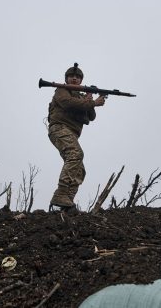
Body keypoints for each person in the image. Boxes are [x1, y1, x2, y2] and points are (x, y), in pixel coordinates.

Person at [47, 63, 106, 211]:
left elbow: (91, 116)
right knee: (75, 154)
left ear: (81, 80)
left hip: (71, 133)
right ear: (66, 79)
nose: (74, 79)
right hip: (59, 128)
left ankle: (66, 202)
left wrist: (89, 99)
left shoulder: (80, 96)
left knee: (79, 169)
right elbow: (68, 104)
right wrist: (92, 102)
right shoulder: (62, 90)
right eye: (71, 76)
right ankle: (61, 194)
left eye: (77, 77)